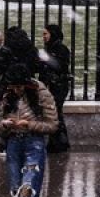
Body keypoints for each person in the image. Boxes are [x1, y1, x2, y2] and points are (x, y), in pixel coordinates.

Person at [0, 62, 59, 197]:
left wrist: (29, 124)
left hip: (34, 143)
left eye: (19, 86)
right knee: (16, 189)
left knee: (27, 190)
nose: (16, 90)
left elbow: (52, 124)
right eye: (13, 86)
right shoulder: (9, 95)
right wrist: (5, 125)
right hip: (14, 143)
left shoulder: (41, 93)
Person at [39, 24, 71, 153]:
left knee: (55, 112)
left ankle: (59, 143)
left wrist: (45, 61)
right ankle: (57, 142)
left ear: (52, 34)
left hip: (58, 86)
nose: (43, 37)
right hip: (52, 85)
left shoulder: (61, 49)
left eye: (45, 34)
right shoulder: (49, 48)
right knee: (54, 113)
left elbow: (59, 66)